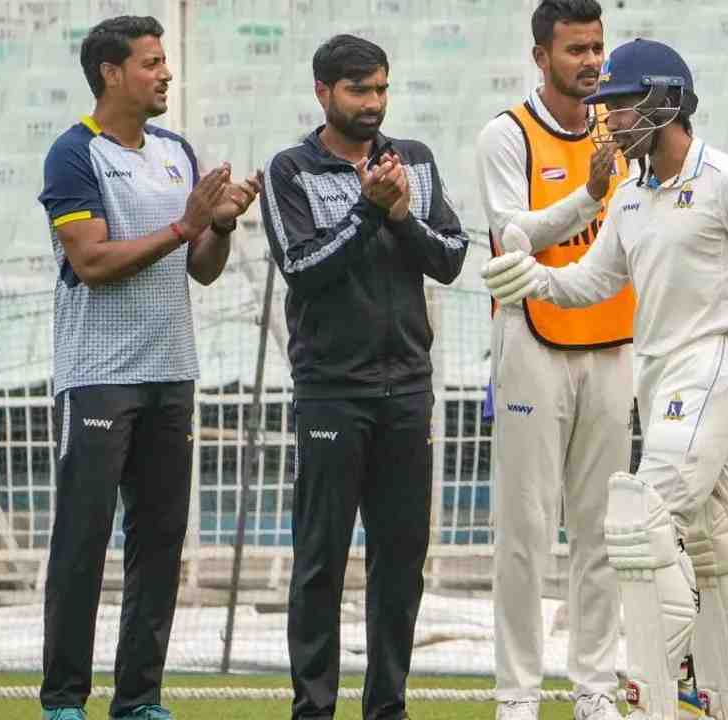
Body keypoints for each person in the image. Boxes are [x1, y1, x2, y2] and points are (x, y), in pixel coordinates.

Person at [481, 38, 728, 720]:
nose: (610, 121)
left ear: (666, 102)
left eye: (623, 106)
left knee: (639, 517)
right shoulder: (630, 195)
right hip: (662, 376)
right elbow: (593, 282)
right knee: (717, 543)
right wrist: (535, 280)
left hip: (721, 361)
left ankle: (648, 697)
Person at [37, 15, 257, 720]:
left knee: (158, 546)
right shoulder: (75, 155)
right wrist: (184, 225)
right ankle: (64, 702)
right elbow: (92, 262)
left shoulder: (174, 150)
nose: (166, 74)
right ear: (111, 72)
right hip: (98, 375)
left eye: (165, 62)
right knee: (82, 543)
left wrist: (217, 226)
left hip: (172, 375)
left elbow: (200, 270)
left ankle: (138, 701)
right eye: (152, 63)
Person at [258, 34, 469, 720]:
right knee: (320, 562)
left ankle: (388, 707)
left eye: (381, 88)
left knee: (400, 563)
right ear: (323, 92)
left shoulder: (416, 162)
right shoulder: (292, 170)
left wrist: (401, 214)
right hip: (331, 391)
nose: (374, 103)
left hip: (407, 390)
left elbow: (449, 256)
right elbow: (305, 269)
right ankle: (313, 709)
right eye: (358, 90)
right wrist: (370, 210)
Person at [473, 2, 630, 718]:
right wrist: (589, 195)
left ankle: (595, 689)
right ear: (542, 57)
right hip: (532, 339)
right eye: (575, 49)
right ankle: (517, 695)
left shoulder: (620, 129)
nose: (591, 61)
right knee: (525, 529)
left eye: (597, 46)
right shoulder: (506, 135)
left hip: (612, 341)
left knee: (601, 529)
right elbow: (513, 237)